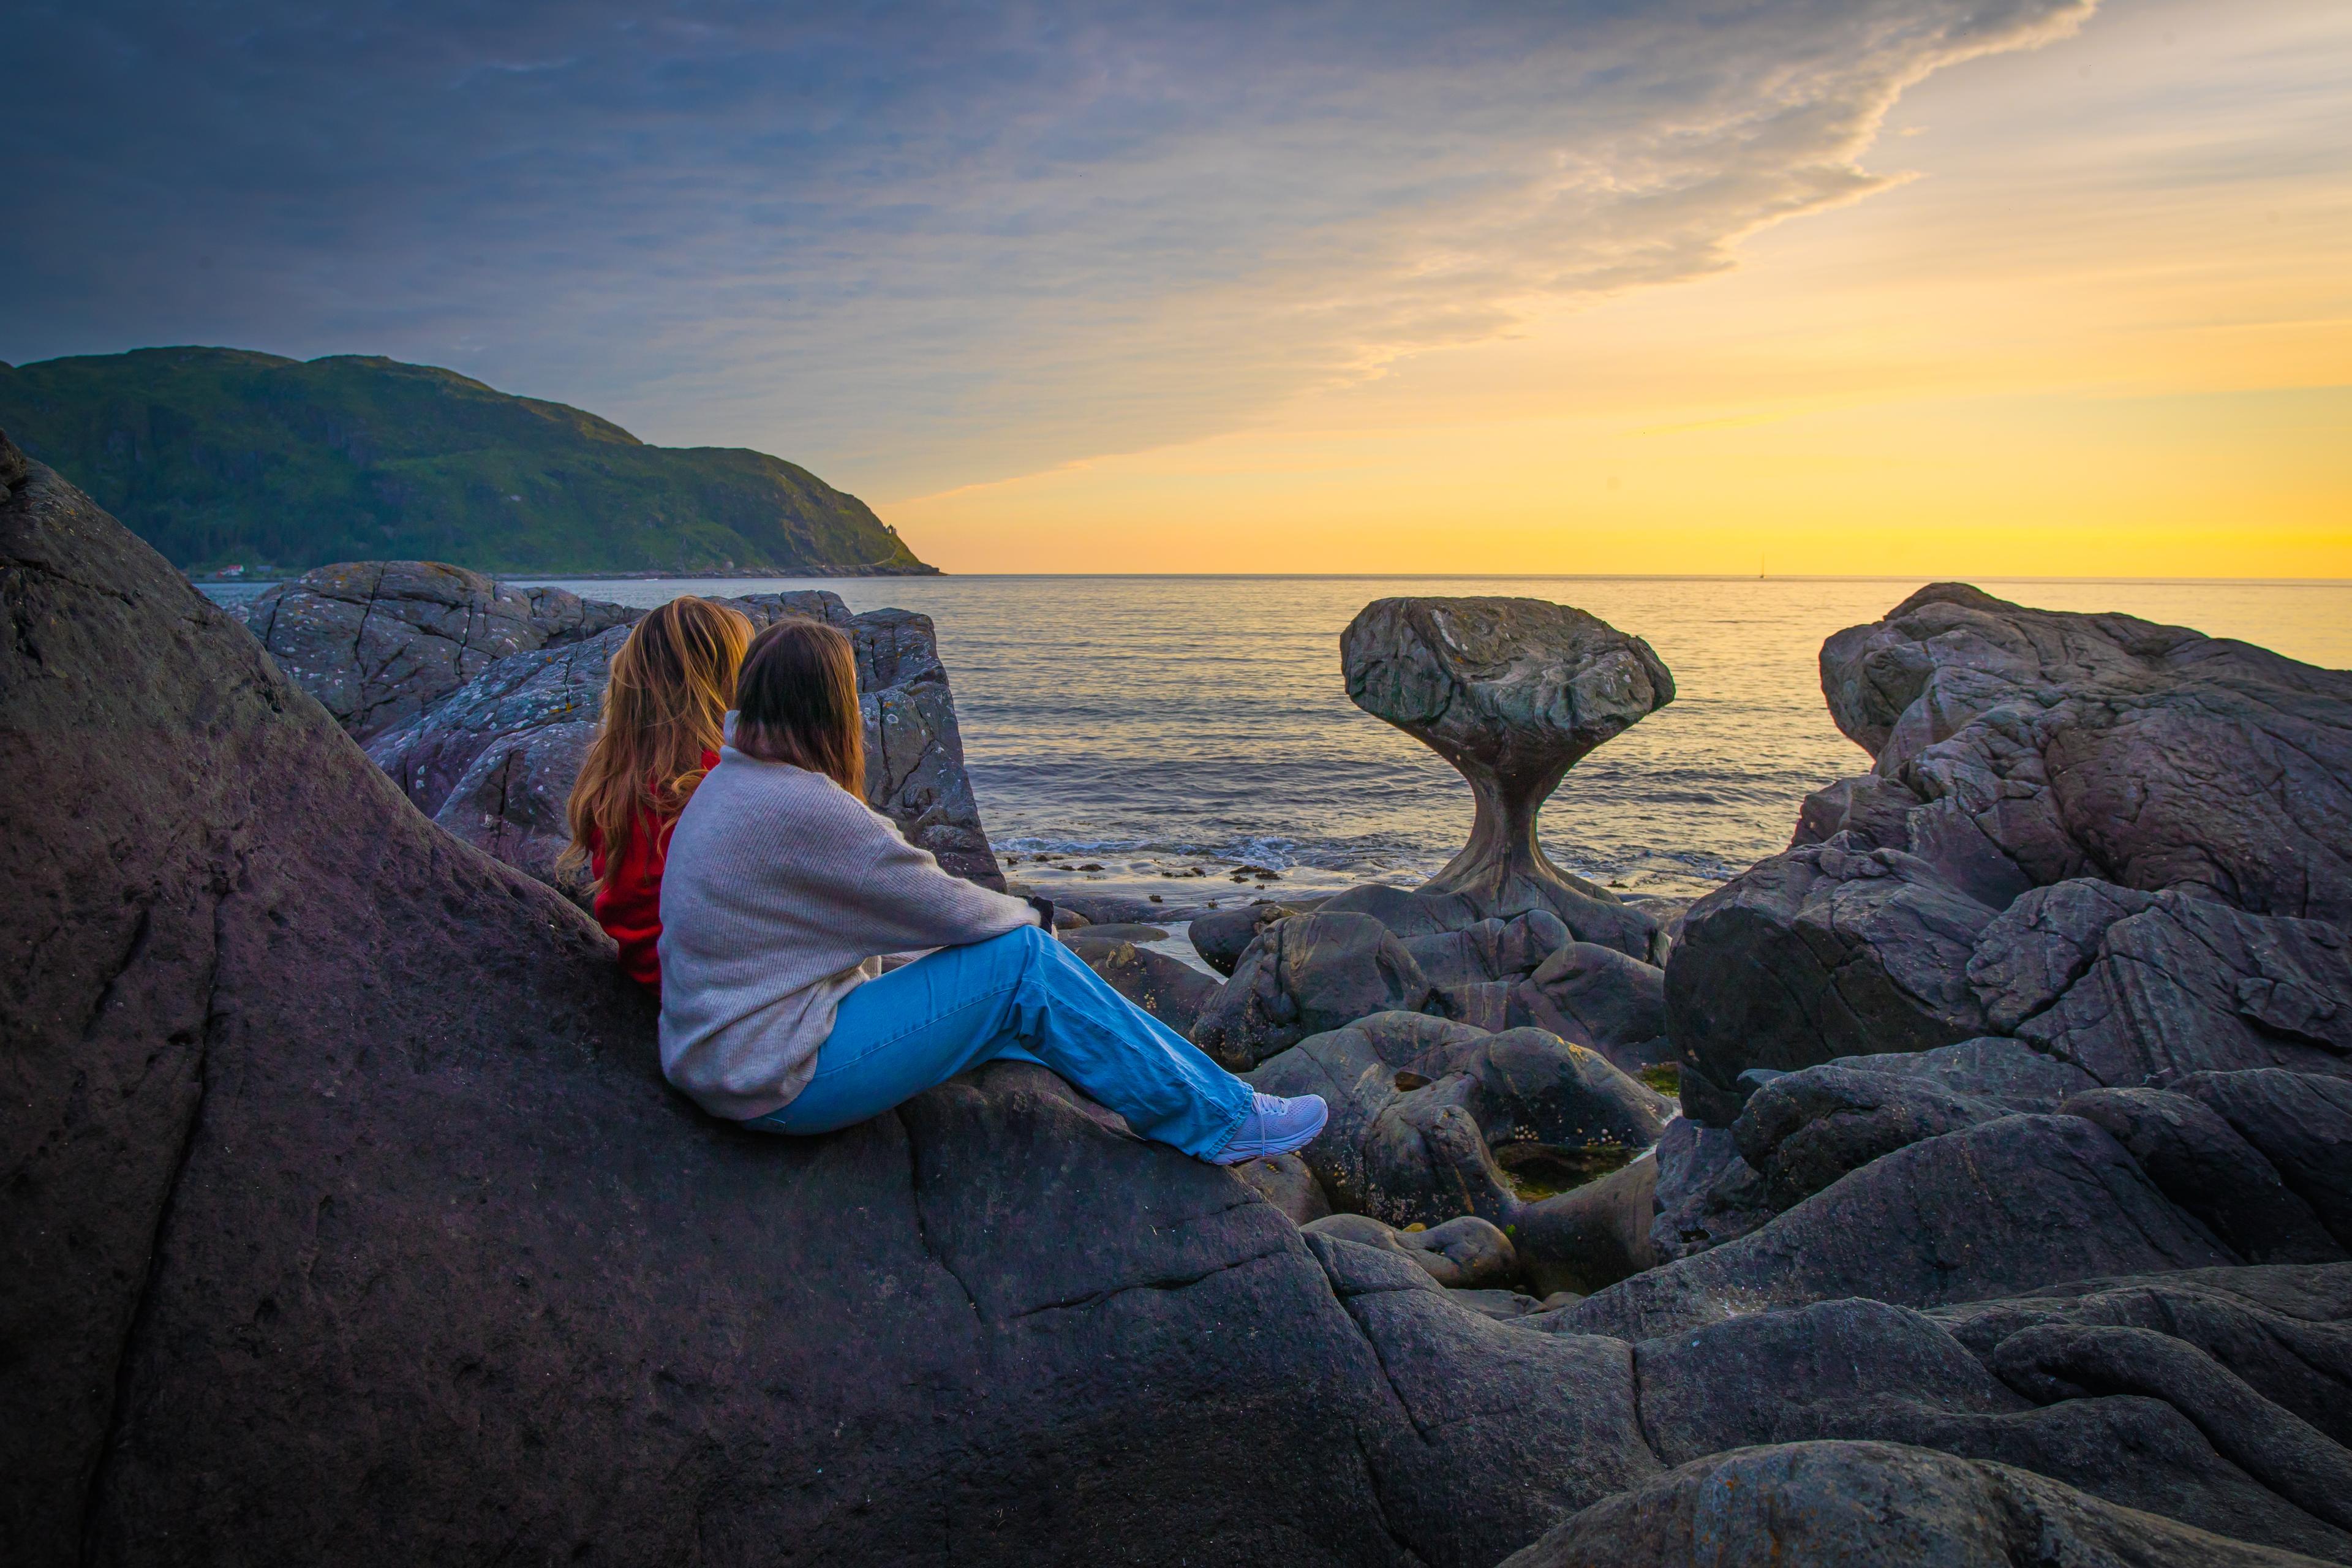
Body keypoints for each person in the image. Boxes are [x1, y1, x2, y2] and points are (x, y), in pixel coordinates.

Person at [657, 615, 1327, 1164]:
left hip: (724, 1060)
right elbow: (933, 900)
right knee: (1023, 961)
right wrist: (1029, 914)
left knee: (1007, 993)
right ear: (831, 707)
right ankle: (1223, 1119)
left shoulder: (730, 785)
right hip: (775, 1079)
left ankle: (1172, 1090)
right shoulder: (799, 805)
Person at [561, 595, 754, 992]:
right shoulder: (716, 780)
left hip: (654, 976)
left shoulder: (615, 779)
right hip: (723, 994)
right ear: (724, 680)